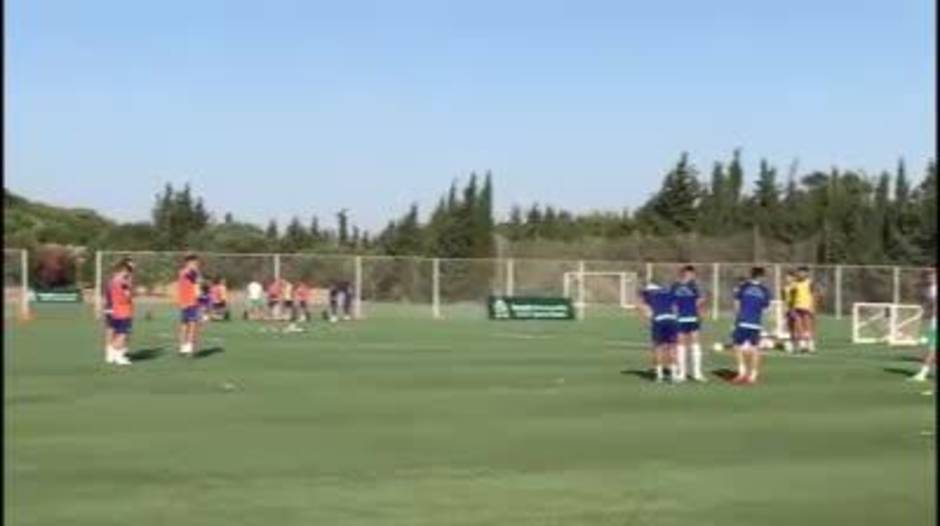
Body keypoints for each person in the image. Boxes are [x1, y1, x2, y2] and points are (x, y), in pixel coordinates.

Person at [732, 267, 773, 384]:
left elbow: (737, 305)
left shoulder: (743, 287)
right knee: (755, 349)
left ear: (751, 275)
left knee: (737, 346)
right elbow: (765, 308)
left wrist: (736, 320)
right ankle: (753, 376)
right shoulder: (764, 290)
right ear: (761, 276)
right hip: (755, 323)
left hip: (742, 321)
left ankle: (742, 372)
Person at [671, 265, 707, 382]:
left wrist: (700, 314)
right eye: (690, 274)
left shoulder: (694, 286)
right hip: (680, 318)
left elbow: (699, 301)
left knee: (696, 344)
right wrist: (675, 316)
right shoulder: (675, 286)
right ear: (685, 274)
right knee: (681, 345)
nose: (692, 276)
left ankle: (697, 373)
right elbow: (673, 304)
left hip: (692, 318)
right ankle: (682, 373)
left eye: (693, 274)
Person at [641, 280, 679, 383]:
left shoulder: (648, 294)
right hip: (671, 320)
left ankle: (659, 375)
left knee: (658, 348)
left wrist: (648, 318)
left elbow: (645, 308)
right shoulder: (669, 293)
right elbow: (675, 308)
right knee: (672, 347)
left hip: (658, 321)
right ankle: (674, 375)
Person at [104, 258, 135, 365]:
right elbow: (127, 297)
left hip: (117, 311)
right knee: (122, 334)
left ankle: (113, 353)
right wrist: (129, 288)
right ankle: (118, 355)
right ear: (124, 270)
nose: (129, 273)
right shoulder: (123, 282)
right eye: (128, 270)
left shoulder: (113, 280)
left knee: (118, 333)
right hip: (123, 311)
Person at [910, 269, 937, 382]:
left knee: (932, 348)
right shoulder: (930, 290)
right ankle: (922, 373)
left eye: (933, 276)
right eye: (930, 277)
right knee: (932, 348)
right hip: (934, 321)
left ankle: (922, 373)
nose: (931, 278)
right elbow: (930, 306)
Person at [177, 254, 202, 356]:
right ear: (188, 263)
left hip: (190, 302)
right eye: (194, 263)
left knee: (189, 324)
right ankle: (185, 347)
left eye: (196, 263)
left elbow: (197, 283)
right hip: (188, 302)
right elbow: (192, 276)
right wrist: (195, 272)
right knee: (188, 325)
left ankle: (187, 347)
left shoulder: (192, 272)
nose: (196, 264)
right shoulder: (185, 272)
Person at [791, 266, 818, 353]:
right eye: (799, 272)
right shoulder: (795, 283)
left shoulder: (810, 283)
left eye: (803, 272)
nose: (800, 274)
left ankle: (810, 344)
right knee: (799, 326)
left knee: (808, 327)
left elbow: (814, 295)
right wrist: (792, 307)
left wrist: (813, 306)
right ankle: (802, 345)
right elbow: (792, 296)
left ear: (806, 273)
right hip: (797, 306)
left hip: (807, 307)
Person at [782, 270, 799, 353]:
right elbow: (784, 299)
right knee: (789, 328)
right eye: (786, 277)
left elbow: (794, 298)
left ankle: (797, 344)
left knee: (795, 327)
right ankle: (790, 345)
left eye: (789, 277)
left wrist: (792, 309)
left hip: (794, 308)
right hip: (787, 308)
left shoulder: (795, 286)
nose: (787, 279)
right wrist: (784, 308)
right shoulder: (785, 287)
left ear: (793, 278)